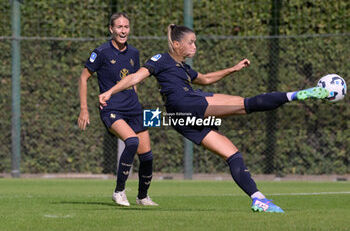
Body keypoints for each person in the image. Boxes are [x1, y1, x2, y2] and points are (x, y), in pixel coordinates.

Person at [98, 24, 329, 213]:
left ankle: (259, 199)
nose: (195, 46)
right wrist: (110, 92)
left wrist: (232, 69)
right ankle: (298, 94)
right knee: (246, 104)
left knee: (232, 153)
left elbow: (206, 79)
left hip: (180, 118)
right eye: (191, 42)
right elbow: (135, 78)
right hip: (187, 103)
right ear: (176, 44)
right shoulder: (161, 59)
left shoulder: (183, 67)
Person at [78, 12, 158, 207]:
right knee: (131, 141)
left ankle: (142, 197)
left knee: (147, 156)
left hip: (134, 108)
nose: (123, 31)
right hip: (112, 109)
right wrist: (84, 109)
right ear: (111, 29)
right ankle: (119, 191)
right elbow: (83, 77)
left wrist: (135, 99)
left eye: (126, 27)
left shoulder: (134, 53)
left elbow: (134, 79)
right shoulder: (101, 52)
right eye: (119, 27)